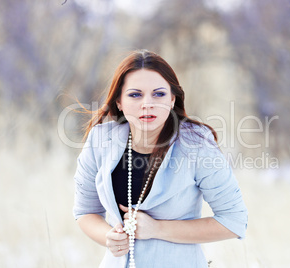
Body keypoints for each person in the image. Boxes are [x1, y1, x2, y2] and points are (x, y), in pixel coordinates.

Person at [73, 50, 248, 268]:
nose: (148, 103)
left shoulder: (196, 144)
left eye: (159, 94)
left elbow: (234, 221)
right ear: (119, 101)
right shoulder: (100, 139)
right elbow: (85, 211)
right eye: (135, 94)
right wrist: (109, 237)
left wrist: (157, 228)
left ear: (173, 98)